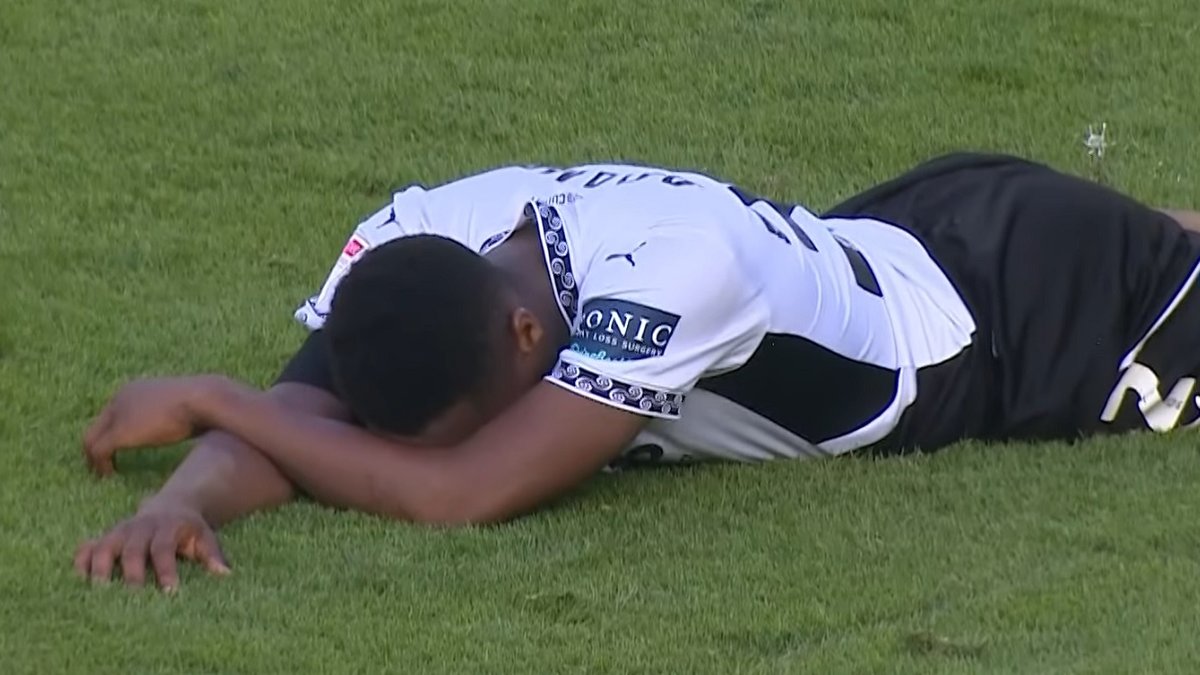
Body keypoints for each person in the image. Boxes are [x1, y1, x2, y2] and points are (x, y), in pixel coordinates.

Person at [75, 153, 1200, 590]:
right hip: (917, 234)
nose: (376, 453)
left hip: (1024, 327)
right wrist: (181, 499)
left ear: (527, 338)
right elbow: (304, 416)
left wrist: (213, 396)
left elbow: (459, 491)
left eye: (469, 419)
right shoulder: (417, 239)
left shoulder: (668, 284)